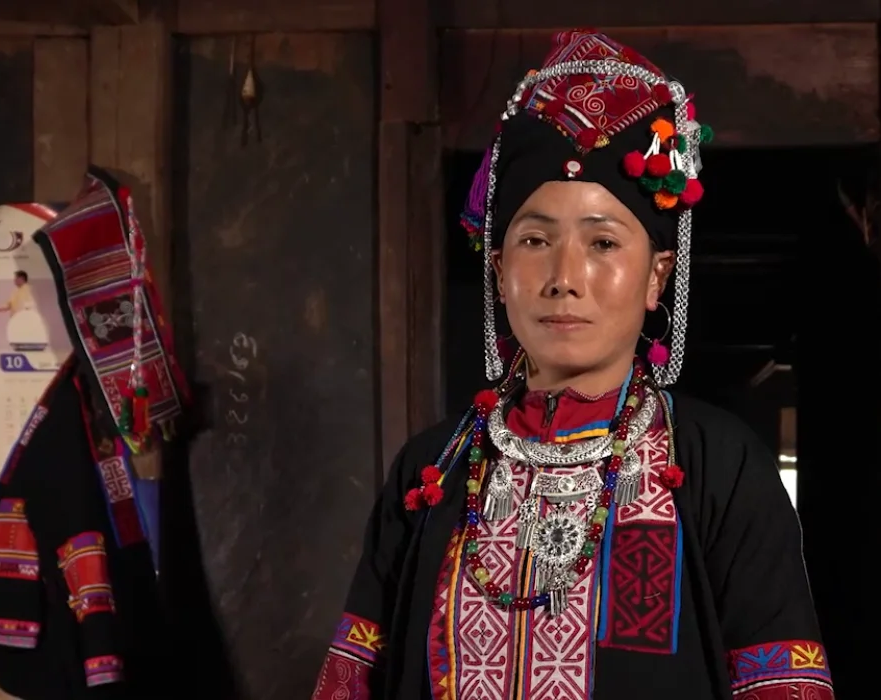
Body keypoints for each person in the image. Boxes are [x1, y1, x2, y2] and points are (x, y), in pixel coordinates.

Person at [311, 29, 834, 700]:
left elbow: (782, 684)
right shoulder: (433, 470)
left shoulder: (719, 468)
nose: (565, 278)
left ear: (656, 276)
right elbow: (351, 682)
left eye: (603, 243)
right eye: (535, 240)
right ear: (499, 272)